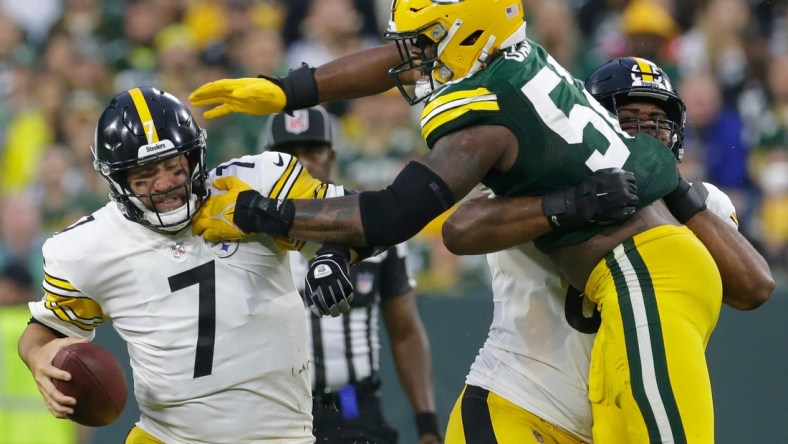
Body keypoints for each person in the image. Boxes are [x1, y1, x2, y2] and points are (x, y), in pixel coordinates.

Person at [186, 2, 765, 441]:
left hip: (645, 281)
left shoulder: (489, 118)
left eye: (423, 45)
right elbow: (452, 216)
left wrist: (262, 212)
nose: (409, 60)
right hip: (565, 349)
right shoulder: (517, 64)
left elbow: (391, 213)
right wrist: (289, 88)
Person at [437, 57, 774, 443]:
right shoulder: (545, 179)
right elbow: (458, 230)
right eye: (629, 116)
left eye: (658, 119)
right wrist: (570, 204)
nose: (647, 129)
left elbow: (754, 288)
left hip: (608, 429)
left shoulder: (701, 201)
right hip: (519, 403)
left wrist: (672, 190)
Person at [17, 86, 361, 444]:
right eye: (143, 176)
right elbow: (45, 329)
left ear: (194, 157)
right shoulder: (88, 247)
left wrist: (332, 252)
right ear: (117, 181)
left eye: (173, 167)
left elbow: (358, 218)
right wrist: (38, 356)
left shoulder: (254, 183)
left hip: (278, 436)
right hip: (166, 436)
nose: (164, 185)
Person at [263, 105, 441, 444]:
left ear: (332, 154)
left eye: (312, 150)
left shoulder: (370, 223)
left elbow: (405, 332)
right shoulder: (245, 231)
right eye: (288, 153)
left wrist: (427, 421)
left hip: (347, 404)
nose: (302, 163)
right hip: (271, 406)